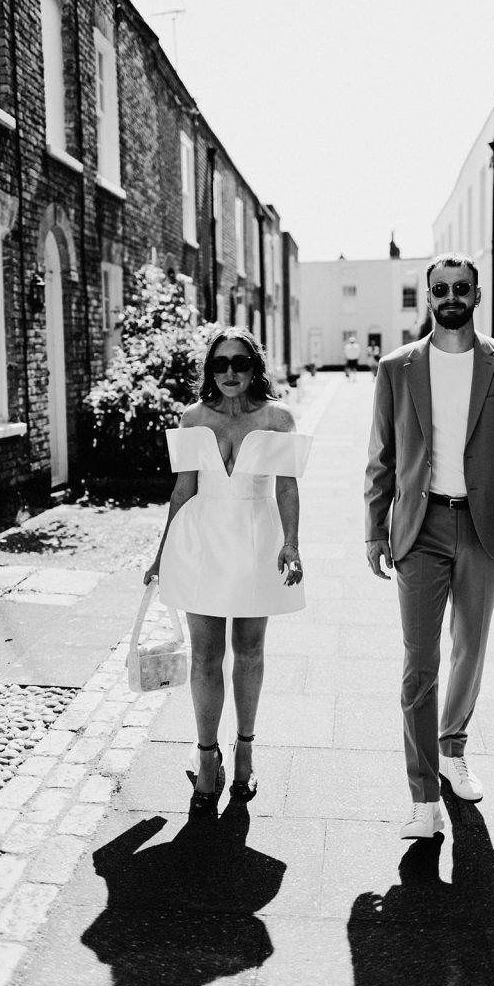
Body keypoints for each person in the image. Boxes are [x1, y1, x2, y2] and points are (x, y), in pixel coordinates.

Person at [364, 253, 494, 839]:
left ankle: (452, 746)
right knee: (420, 664)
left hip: (485, 526)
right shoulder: (397, 368)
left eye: (459, 288)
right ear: (430, 296)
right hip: (420, 527)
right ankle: (422, 797)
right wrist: (374, 527)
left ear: (476, 294)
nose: (449, 297)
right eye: (439, 289)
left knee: (470, 647)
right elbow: (382, 456)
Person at [145, 327, 312, 816]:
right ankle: (206, 756)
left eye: (240, 363)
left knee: (251, 650)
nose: (230, 373)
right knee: (205, 655)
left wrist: (293, 544)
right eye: (220, 364)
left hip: (258, 541)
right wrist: (162, 552)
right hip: (203, 542)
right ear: (209, 370)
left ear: (255, 366)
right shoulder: (193, 417)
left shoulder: (278, 417)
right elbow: (182, 490)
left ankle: (245, 749)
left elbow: (287, 488)